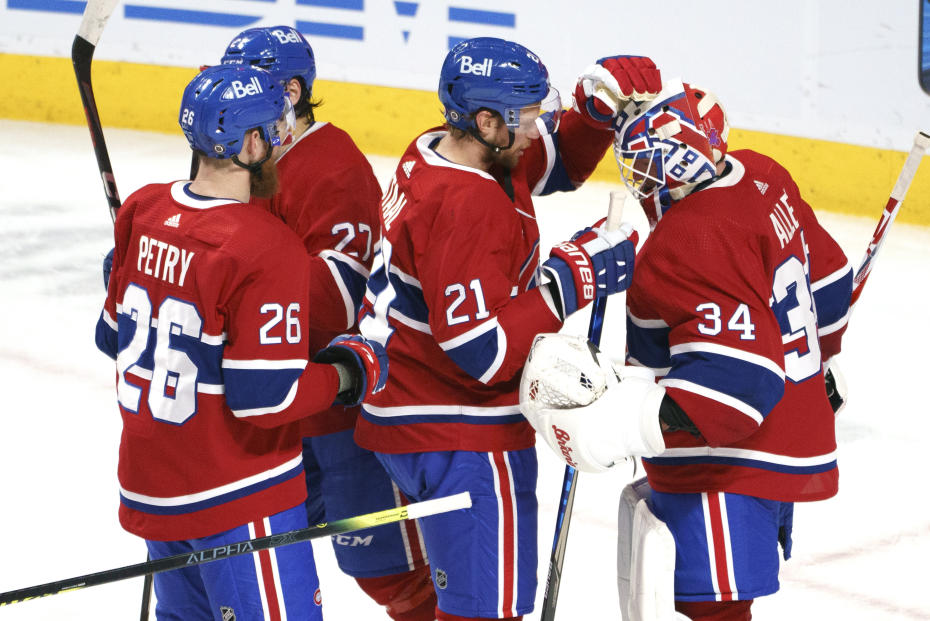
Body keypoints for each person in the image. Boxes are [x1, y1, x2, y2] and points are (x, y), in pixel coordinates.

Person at [520, 78, 854, 621]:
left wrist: (613, 424)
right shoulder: (762, 174)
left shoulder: (689, 238)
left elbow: (733, 390)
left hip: (728, 463)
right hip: (786, 427)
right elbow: (833, 284)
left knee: (714, 611)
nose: (641, 182)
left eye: (651, 168)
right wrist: (820, 362)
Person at [354, 37, 660, 620]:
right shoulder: (465, 204)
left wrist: (590, 120)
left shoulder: (436, 149)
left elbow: (556, 160)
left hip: (406, 416)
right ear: (486, 120)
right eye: (524, 118)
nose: (535, 129)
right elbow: (482, 351)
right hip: (461, 435)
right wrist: (572, 277)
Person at [94, 63, 386, 621]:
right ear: (250, 143)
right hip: (236, 500)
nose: (280, 144)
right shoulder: (265, 245)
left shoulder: (143, 210)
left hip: (153, 491)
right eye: (273, 133)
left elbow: (110, 335)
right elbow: (265, 398)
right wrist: (351, 372)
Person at [220, 25, 438, 621]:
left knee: (392, 576)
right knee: (251, 561)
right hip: (277, 402)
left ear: (292, 91)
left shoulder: (332, 170)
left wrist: (227, 293)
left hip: (340, 406)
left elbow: (338, 307)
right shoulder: (248, 155)